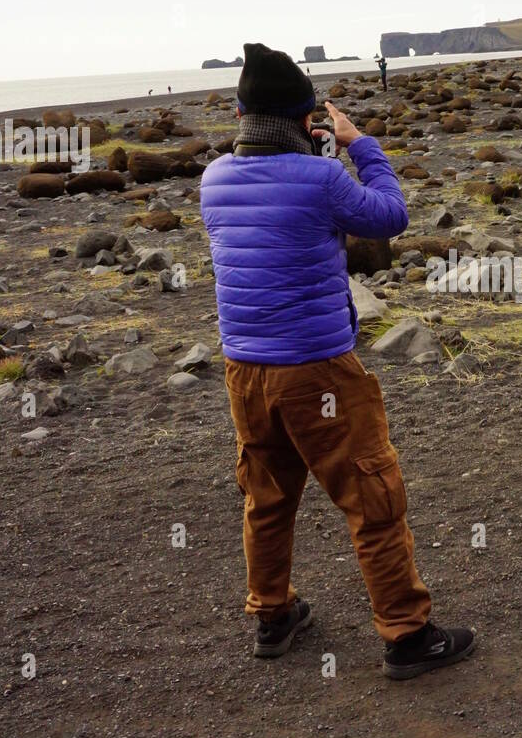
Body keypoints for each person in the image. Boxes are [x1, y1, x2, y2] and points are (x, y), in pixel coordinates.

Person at [200, 42, 475, 678]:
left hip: (244, 371)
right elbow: (390, 218)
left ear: (241, 117)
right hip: (318, 369)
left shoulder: (214, 179)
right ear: (305, 120)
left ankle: (272, 615)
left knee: (266, 497)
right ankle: (407, 636)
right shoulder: (322, 178)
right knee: (371, 495)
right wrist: (357, 142)